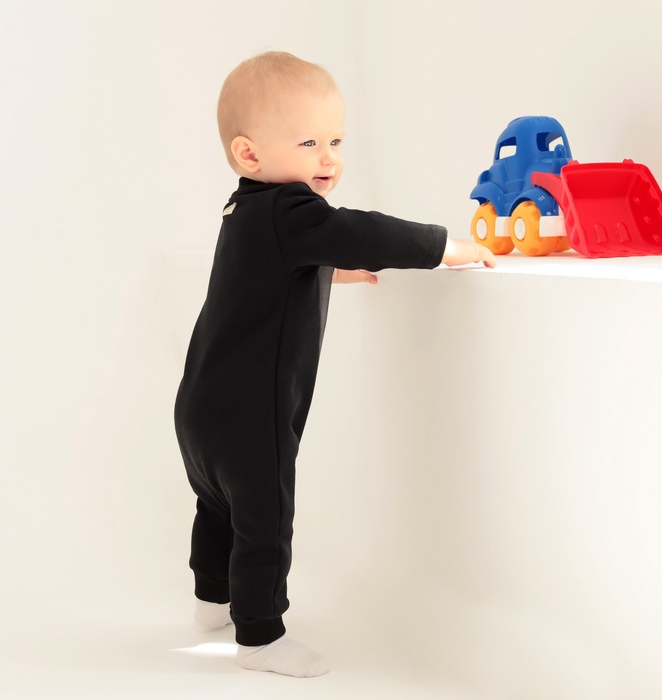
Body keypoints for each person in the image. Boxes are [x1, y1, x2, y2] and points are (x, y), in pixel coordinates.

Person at [174, 50, 495, 679]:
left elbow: (262, 274)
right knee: (265, 516)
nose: (329, 158)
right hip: (251, 412)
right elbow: (361, 230)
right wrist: (442, 246)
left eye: (336, 141)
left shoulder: (244, 211)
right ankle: (260, 636)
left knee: (217, 504)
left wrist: (326, 272)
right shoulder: (293, 210)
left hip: (201, 403)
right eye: (309, 142)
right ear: (249, 154)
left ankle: (212, 601)